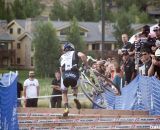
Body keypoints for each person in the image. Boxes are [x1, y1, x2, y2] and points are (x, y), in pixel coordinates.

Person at [60, 42, 88, 116]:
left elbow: (61, 68)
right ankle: (75, 97)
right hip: (74, 74)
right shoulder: (75, 53)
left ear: (65, 49)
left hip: (65, 75)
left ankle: (66, 108)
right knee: (75, 86)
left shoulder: (61, 56)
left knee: (64, 92)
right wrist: (86, 65)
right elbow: (83, 55)